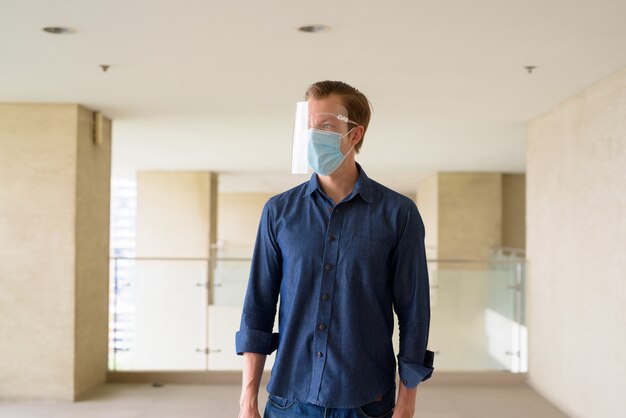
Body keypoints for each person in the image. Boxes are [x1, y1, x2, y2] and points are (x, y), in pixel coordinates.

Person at [236, 80, 434, 418]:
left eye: (325, 125)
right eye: (309, 125)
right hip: (289, 399)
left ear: (354, 134)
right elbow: (258, 304)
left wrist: (407, 401)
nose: (313, 134)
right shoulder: (279, 211)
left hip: (366, 400)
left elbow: (414, 311)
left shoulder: (398, 214)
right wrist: (247, 398)